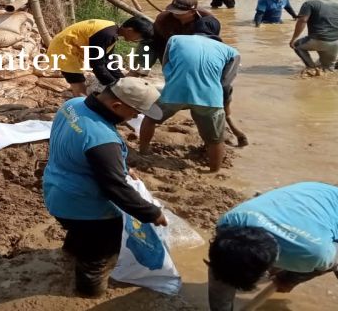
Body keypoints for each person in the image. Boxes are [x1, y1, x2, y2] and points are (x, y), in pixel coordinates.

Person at [43, 78, 168, 297]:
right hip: (84, 206)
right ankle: (88, 294)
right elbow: (115, 188)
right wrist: (151, 212)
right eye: (136, 112)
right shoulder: (102, 138)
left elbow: (82, 149)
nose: (136, 117)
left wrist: (119, 166)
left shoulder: (73, 105)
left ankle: (72, 252)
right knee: (100, 255)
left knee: (81, 234)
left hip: (56, 190)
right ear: (117, 106)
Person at [208, 182, 338, 311]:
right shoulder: (228, 224)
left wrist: (290, 279)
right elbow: (220, 273)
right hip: (301, 199)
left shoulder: (313, 252)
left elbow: (337, 259)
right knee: (227, 270)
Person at [139, 21, 241, 172]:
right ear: (217, 33)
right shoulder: (232, 52)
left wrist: (174, 83)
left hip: (174, 92)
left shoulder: (175, 40)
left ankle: (143, 151)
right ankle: (214, 170)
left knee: (150, 118)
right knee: (216, 139)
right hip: (209, 97)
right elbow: (226, 81)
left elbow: (166, 63)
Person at [47, 18, 154, 97]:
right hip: (64, 49)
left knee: (80, 82)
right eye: (138, 38)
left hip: (72, 48)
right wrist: (114, 85)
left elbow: (108, 60)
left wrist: (121, 80)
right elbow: (96, 64)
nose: (136, 41)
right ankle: (81, 115)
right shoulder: (107, 34)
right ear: (130, 30)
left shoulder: (112, 31)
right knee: (79, 85)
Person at [149, 0, 217, 67]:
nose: (175, 14)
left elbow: (210, 44)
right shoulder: (163, 19)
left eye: (179, 13)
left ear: (192, 12)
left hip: (196, 47)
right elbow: (159, 43)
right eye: (173, 11)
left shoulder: (207, 21)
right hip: (169, 43)